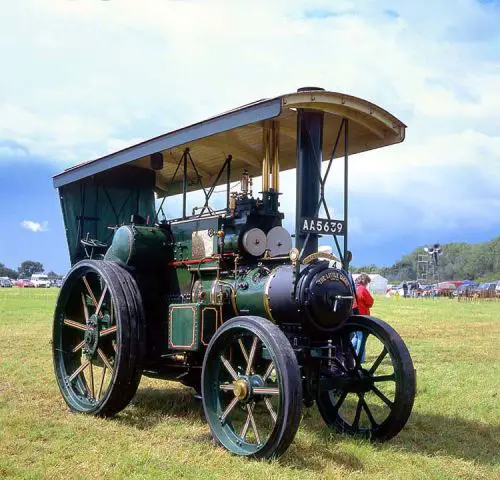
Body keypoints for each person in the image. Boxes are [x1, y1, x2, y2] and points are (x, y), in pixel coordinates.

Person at [351, 273, 374, 362]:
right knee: (362, 336)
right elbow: (370, 302)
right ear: (365, 281)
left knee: (356, 336)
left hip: (353, 314)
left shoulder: (353, 288)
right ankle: (359, 358)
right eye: (367, 282)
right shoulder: (362, 289)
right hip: (362, 314)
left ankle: (348, 354)